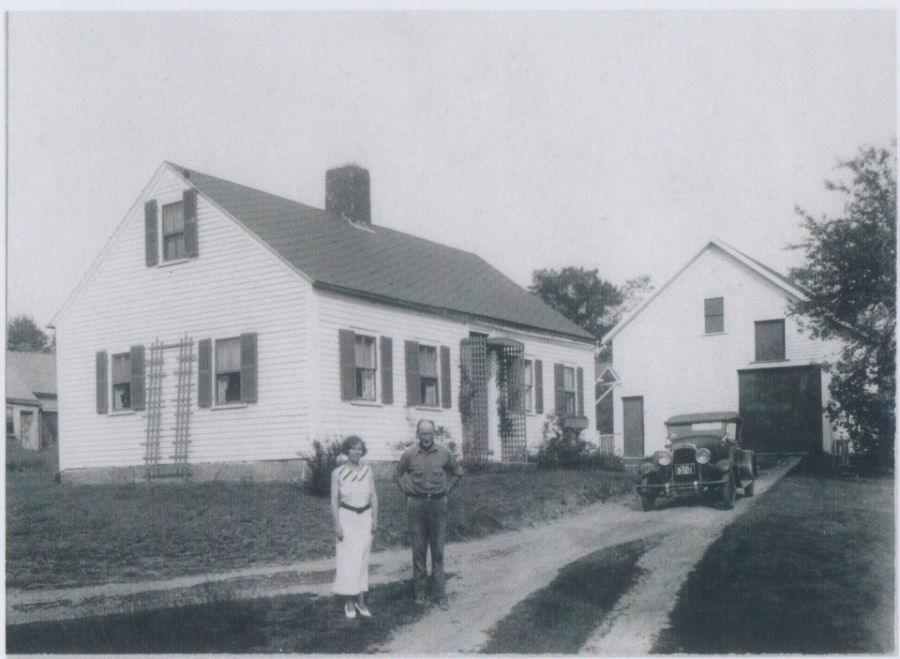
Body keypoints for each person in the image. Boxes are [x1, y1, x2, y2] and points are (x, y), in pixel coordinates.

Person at [394, 419, 462, 611]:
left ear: (434, 435)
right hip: (416, 505)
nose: (426, 438)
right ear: (418, 435)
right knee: (418, 550)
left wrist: (447, 489)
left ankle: (440, 594)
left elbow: (457, 472)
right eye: (423, 434)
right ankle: (421, 593)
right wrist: (408, 490)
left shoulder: (444, 453)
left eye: (430, 433)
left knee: (438, 551)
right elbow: (397, 475)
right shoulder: (409, 454)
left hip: (438, 505)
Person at [331, 435, 378, 619]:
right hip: (346, 518)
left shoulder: (367, 471)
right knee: (347, 560)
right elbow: (334, 501)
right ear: (347, 451)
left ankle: (361, 600)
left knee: (363, 558)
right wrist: (337, 524)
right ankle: (349, 601)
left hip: (365, 517)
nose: (356, 452)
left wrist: (375, 517)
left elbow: (373, 495)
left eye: (359, 449)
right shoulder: (338, 473)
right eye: (353, 448)